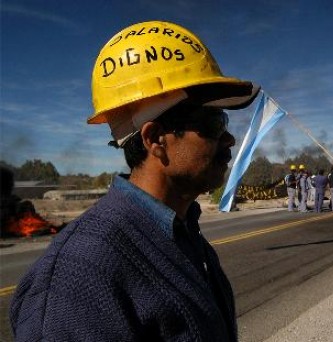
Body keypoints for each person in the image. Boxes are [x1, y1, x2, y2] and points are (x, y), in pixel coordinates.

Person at [10, 21, 260, 341]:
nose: (229, 139)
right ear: (156, 139)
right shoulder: (77, 281)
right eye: (213, 123)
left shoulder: (182, 232)